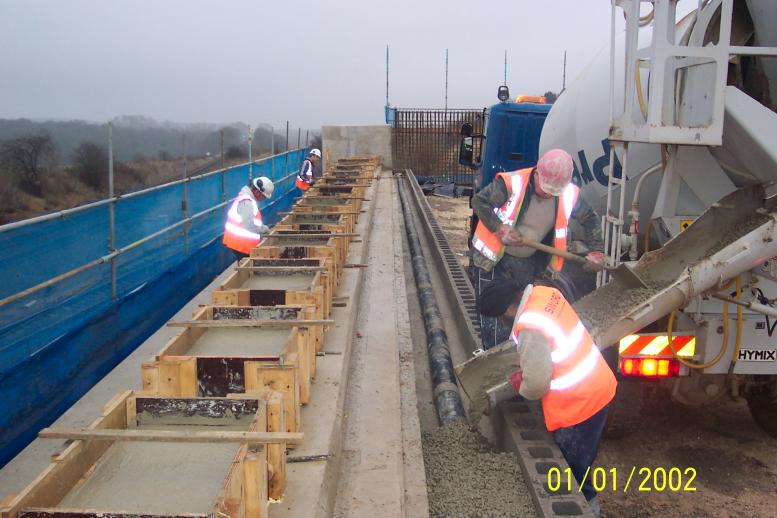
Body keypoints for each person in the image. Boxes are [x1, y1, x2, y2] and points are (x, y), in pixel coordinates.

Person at [480, 280, 616, 518]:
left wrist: (521, 385)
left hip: (580, 403)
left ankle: (590, 508)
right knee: (581, 457)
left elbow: (536, 385)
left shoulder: (529, 327)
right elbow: (553, 347)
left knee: (572, 464)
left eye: (500, 316)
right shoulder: (546, 293)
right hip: (598, 382)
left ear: (508, 310)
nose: (501, 321)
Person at [471, 148, 604, 349]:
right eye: (545, 188)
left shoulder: (568, 193)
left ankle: (517, 362)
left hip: (527, 262)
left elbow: (590, 218)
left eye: (554, 191)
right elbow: (479, 201)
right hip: (493, 260)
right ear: (537, 173)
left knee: (520, 316)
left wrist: (596, 250)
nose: (549, 194)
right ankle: (491, 363)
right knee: (495, 319)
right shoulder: (513, 183)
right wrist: (500, 228)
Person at [223, 176, 274, 261]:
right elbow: (249, 224)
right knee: (247, 268)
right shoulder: (246, 202)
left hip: (240, 241)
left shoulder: (248, 199)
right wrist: (263, 229)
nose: (263, 199)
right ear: (257, 192)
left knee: (246, 266)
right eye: (264, 196)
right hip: (241, 242)